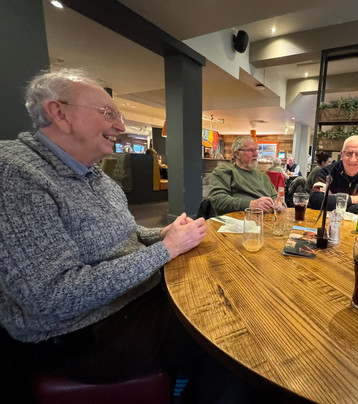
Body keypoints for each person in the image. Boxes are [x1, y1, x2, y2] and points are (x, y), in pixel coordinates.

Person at [0, 68, 261, 401]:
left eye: (119, 116)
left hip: (132, 300)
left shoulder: (96, 177)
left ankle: (192, 381)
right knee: (230, 332)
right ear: (59, 113)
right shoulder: (16, 173)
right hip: (81, 333)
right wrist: (165, 249)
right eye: (108, 113)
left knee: (225, 294)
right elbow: (50, 298)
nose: (120, 127)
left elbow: (125, 234)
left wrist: (162, 233)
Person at [308, 135, 358, 216]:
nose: (352, 159)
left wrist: (334, 198)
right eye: (349, 153)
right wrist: (355, 199)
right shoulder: (327, 172)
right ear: (342, 154)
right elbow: (315, 201)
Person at [207, 136, 277, 215]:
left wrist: (278, 204)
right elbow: (218, 200)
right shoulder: (224, 171)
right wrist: (250, 204)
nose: (255, 154)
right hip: (238, 219)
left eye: (256, 150)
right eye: (250, 150)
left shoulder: (264, 177)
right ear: (237, 154)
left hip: (268, 219)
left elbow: (276, 198)